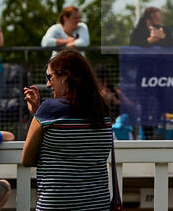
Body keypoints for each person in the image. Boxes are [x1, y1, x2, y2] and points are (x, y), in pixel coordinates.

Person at [22, 50, 114, 210]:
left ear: (64, 76)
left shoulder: (49, 110)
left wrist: (39, 116)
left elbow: (27, 159)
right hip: (97, 204)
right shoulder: (102, 110)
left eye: (50, 77)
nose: (48, 84)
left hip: (57, 204)